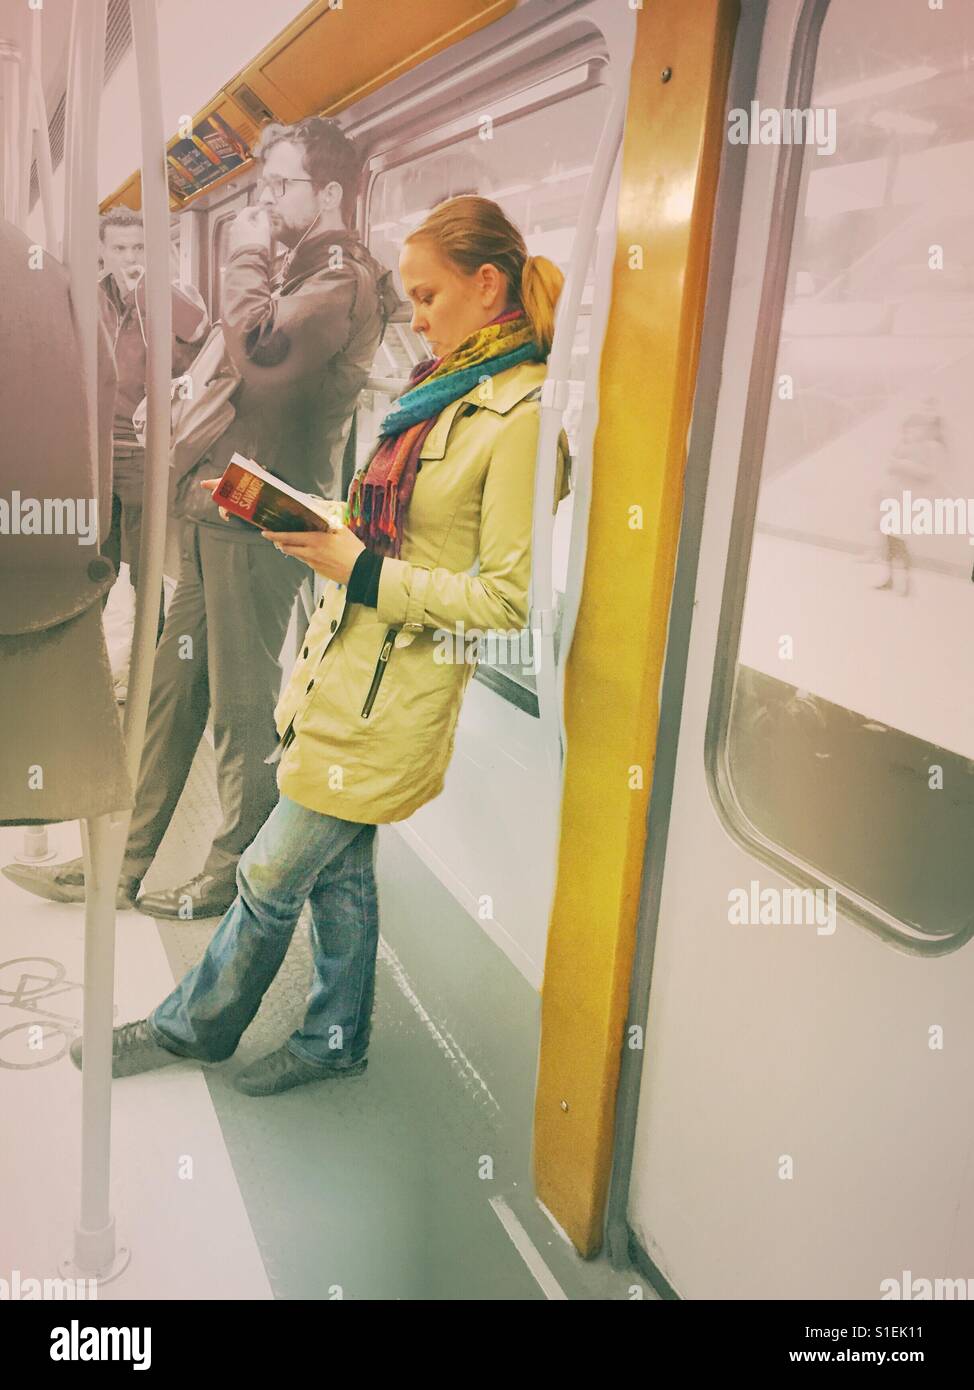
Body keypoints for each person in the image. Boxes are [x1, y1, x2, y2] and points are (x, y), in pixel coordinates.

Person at [68, 194, 571, 1096]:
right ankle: (337, 1037)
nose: (412, 317)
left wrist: (359, 567)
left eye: (426, 296)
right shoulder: (438, 396)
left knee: (268, 871)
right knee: (340, 874)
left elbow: (502, 601)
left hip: (397, 697)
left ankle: (196, 1028)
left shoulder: (518, 418)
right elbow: (404, 533)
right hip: (345, 674)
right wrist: (322, 522)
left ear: (486, 284)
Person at [4, 117, 398, 920]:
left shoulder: (340, 277)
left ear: (327, 193)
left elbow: (261, 350)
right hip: (225, 501)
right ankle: (119, 861)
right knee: (170, 693)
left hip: (266, 512)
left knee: (242, 706)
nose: (266, 200)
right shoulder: (306, 269)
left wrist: (243, 252)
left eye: (279, 185)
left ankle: (233, 869)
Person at [97, 207, 209, 649]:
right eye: (120, 248)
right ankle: (94, 656)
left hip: (148, 454)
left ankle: (152, 656)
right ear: (103, 252)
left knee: (148, 567)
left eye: (139, 247)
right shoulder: (87, 299)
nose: (130, 257)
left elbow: (201, 336)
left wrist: (148, 291)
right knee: (96, 561)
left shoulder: (171, 296)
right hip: (98, 453)